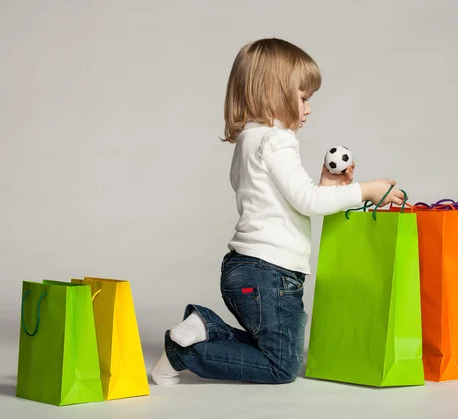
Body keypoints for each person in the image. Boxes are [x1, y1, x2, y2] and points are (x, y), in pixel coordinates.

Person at [151, 38, 406, 385]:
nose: (308, 109)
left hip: (246, 269)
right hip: (269, 275)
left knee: (273, 350)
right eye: (303, 98)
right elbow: (308, 202)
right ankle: (184, 351)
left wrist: (328, 183)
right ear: (274, 92)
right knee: (282, 366)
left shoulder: (248, 141)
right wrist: (368, 190)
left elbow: (284, 199)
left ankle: (204, 328)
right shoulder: (277, 141)